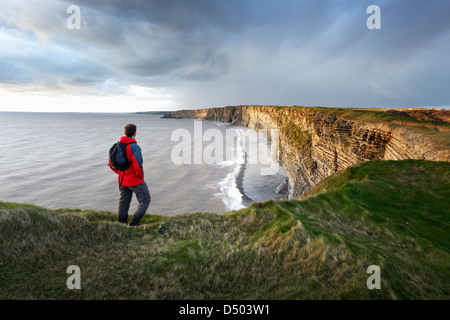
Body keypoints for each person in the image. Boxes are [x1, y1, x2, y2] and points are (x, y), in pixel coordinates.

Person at [109, 123, 151, 226]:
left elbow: (111, 164)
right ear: (135, 133)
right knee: (145, 200)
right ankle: (133, 224)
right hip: (134, 180)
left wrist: (120, 173)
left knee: (123, 203)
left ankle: (121, 226)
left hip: (122, 180)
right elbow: (138, 164)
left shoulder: (117, 145)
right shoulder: (134, 147)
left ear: (125, 132)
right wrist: (140, 176)